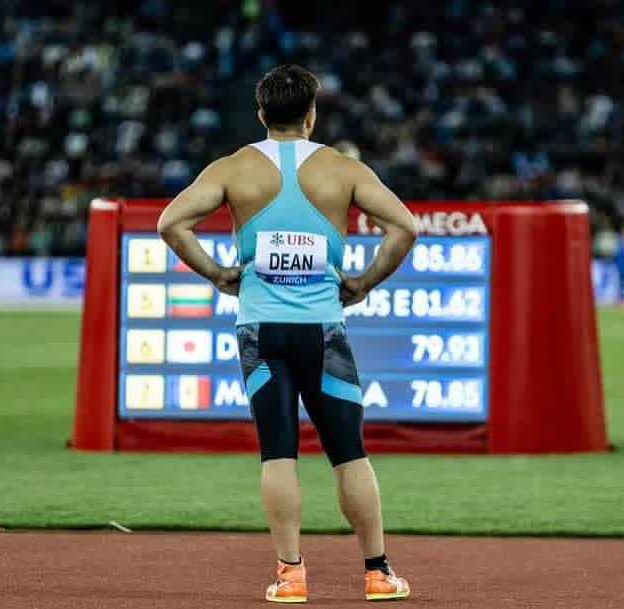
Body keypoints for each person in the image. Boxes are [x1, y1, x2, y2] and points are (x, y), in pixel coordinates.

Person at [158, 64, 417, 603]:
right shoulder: (343, 170)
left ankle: (290, 575)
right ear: (311, 116)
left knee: (277, 453)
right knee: (348, 453)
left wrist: (219, 274)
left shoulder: (234, 169)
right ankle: (378, 573)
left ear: (261, 115)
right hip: (324, 331)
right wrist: (364, 282)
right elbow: (405, 227)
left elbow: (170, 223)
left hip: (260, 332)